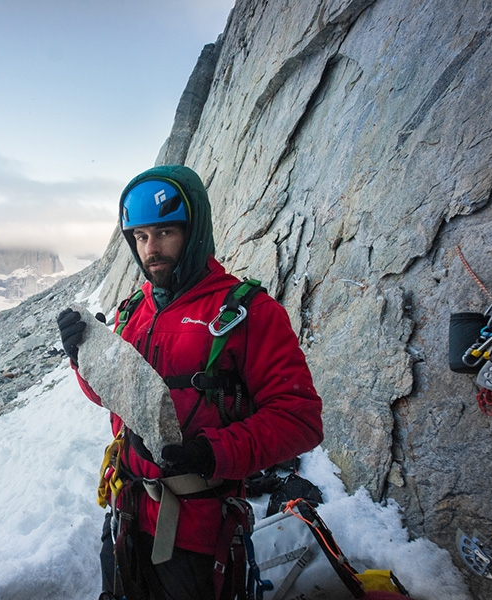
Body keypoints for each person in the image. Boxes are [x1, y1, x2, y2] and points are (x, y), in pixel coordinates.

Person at [57, 165, 324, 600]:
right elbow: (113, 400)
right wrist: (83, 358)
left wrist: (210, 453)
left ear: (194, 230)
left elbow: (301, 420)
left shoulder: (247, 312)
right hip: (126, 511)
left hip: (197, 532)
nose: (151, 250)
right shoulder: (133, 312)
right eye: (140, 237)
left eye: (164, 232)